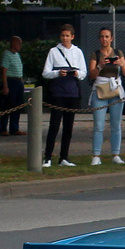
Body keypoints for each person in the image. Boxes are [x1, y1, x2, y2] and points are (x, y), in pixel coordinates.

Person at [42, 24, 86, 167]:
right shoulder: (53, 51)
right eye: (63, 36)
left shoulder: (78, 52)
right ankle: (47, 157)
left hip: (72, 94)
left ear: (72, 37)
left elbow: (83, 73)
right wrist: (57, 73)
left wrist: (77, 73)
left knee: (68, 127)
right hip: (58, 93)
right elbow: (46, 73)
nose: (65, 38)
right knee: (54, 125)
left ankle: (64, 157)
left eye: (67, 36)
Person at [87, 27, 125, 165]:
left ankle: (116, 154)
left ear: (111, 38)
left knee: (116, 124)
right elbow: (91, 75)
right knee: (99, 125)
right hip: (100, 90)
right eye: (101, 37)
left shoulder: (118, 53)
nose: (104, 39)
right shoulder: (96, 54)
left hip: (115, 90)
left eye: (106, 37)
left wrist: (121, 63)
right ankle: (96, 155)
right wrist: (100, 66)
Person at [0, 35, 25, 136]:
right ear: (13, 43)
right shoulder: (6, 54)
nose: (20, 46)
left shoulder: (17, 55)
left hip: (18, 81)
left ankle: (14, 128)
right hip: (10, 81)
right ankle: (3, 129)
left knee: (17, 106)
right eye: (19, 43)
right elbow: (3, 71)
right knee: (7, 105)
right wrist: (5, 86)